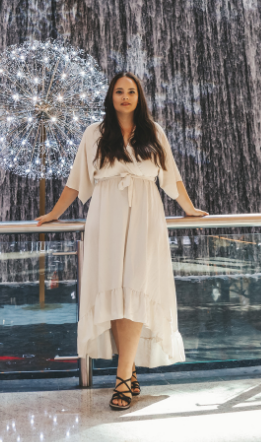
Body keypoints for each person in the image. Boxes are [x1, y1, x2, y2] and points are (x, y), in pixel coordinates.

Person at [36, 72, 207, 410]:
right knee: (115, 291)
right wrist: (54, 213)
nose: (125, 96)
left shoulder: (153, 132)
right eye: (119, 91)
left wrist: (189, 209)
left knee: (136, 288)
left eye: (131, 91)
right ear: (110, 96)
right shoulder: (95, 134)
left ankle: (122, 378)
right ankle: (127, 373)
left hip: (145, 215)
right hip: (106, 216)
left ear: (139, 96)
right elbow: (77, 181)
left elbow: (171, 177)